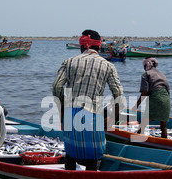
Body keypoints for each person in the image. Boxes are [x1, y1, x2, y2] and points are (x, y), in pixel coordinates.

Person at [52, 29, 123, 171]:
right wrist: (112, 119)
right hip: (93, 114)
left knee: (71, 154)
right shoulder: (108, 65)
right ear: (97, 46)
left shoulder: (69, 62)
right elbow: (119, 94)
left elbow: (57, 87)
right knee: (93, 156)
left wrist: (62, 111)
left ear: (84, 46)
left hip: (71, 113)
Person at [131, 57, 171, 138]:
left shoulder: (146, 74)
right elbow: (167, 90)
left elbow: (144, 92)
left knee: (144, 123)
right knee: (163, 126)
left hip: (156, 97)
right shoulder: (162, 75)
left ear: (146, 65)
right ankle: (164, 143)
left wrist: (136, 105)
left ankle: (136, 138)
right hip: (166, 99)